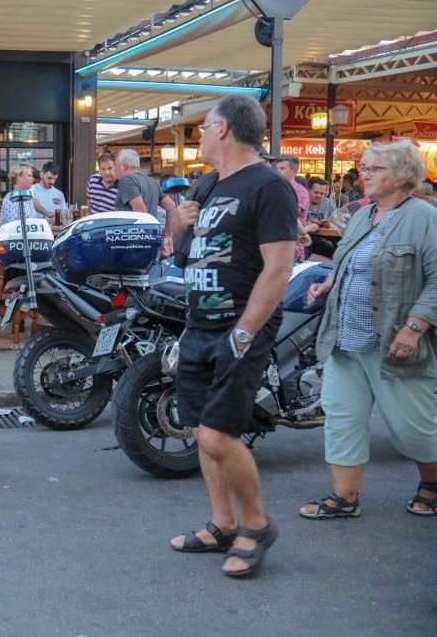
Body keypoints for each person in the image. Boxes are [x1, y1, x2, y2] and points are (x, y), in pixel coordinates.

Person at [167, 95, 297, 577]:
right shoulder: (208, 184)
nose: (198, 134)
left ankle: (257, 525)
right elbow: (184, 254)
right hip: (199, 323)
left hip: (240, 326)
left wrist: (244, 332)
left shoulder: (269, 186)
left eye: (203, 126)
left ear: (223, 129)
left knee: (219, 433)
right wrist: (177, 224)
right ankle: (222, 524)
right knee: (201, 431)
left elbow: (280, 267)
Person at [300, 140, 437, 520]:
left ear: (402, 176)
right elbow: (349, 261)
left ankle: (432, 483)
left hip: (395, 342)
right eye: (364, 167)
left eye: (374, 168)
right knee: (342, 419)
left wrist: (414, 328)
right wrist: (328, 284)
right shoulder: (364, 215)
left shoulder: (423, 217)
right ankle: (345, 498)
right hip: (346, 339)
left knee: (414, 429)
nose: (364, 174)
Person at [114, 149, 177, 256]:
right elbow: (171, 206)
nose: (115, 170)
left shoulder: (126, 180)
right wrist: (168, 237)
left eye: (116, 166)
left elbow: (141, 211)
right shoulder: (151, 181)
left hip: (132, 246)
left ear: (123, 167)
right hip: (151, 244)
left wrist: (139, 245)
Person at [275, 155, 312, 261]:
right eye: (277, 168)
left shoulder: (301, 192)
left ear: (294, 171)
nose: (278, 171)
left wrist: (305, 232)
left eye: (282, 168)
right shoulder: (276, 189)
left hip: (293, 247)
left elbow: (288, 216)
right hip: (275, 244)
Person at [305, 176, 337, 258]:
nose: (319, 196)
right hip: (305, 236)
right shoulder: (302, 202)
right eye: (316, 192)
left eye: (322, 193)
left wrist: (331, 224)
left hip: (325, 238)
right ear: (308, 190)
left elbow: (338, 221)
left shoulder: (328, 203)